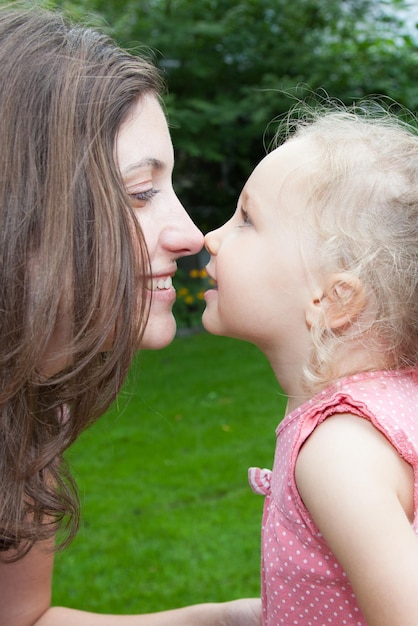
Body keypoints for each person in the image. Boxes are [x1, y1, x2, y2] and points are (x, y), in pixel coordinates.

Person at [0, 5, 261, 626]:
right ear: (21, 214)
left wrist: (233, 619)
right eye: (141, 192)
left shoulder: (32, 409)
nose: (192, 235)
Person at [202, 99, 418, 626]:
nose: (212, 237)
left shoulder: (336, 451)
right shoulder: (388, 405)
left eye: (247, 220)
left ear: (334, 299)